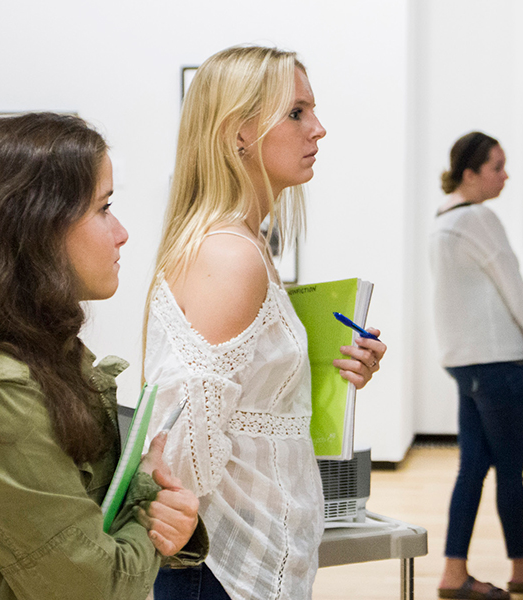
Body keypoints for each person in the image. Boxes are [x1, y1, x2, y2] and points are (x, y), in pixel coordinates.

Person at [144, 46, 387, 600]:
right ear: (238, 132)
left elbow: (246, 398)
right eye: (297, 113)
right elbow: (184, 436)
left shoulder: (246, 243)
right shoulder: (231, 255)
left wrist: (327, 368)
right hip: (218, 567)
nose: (318, 129)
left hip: (241, 559)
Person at [0, 112, 205, 600]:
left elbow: (95, 523)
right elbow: (94, 588)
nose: (122, 233)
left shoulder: (44, 349)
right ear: (36, 227)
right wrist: (148, 504)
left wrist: (162, 519)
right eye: (103, 208)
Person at [430, 131, 523, 599]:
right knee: (510, 469)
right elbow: (513, 287)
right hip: (497, 364)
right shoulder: (479, 219)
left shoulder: (442, 219)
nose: (505, 175)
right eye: (497, 166)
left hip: (465, 365)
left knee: (472, 467)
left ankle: (455, 572)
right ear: (471, 174)